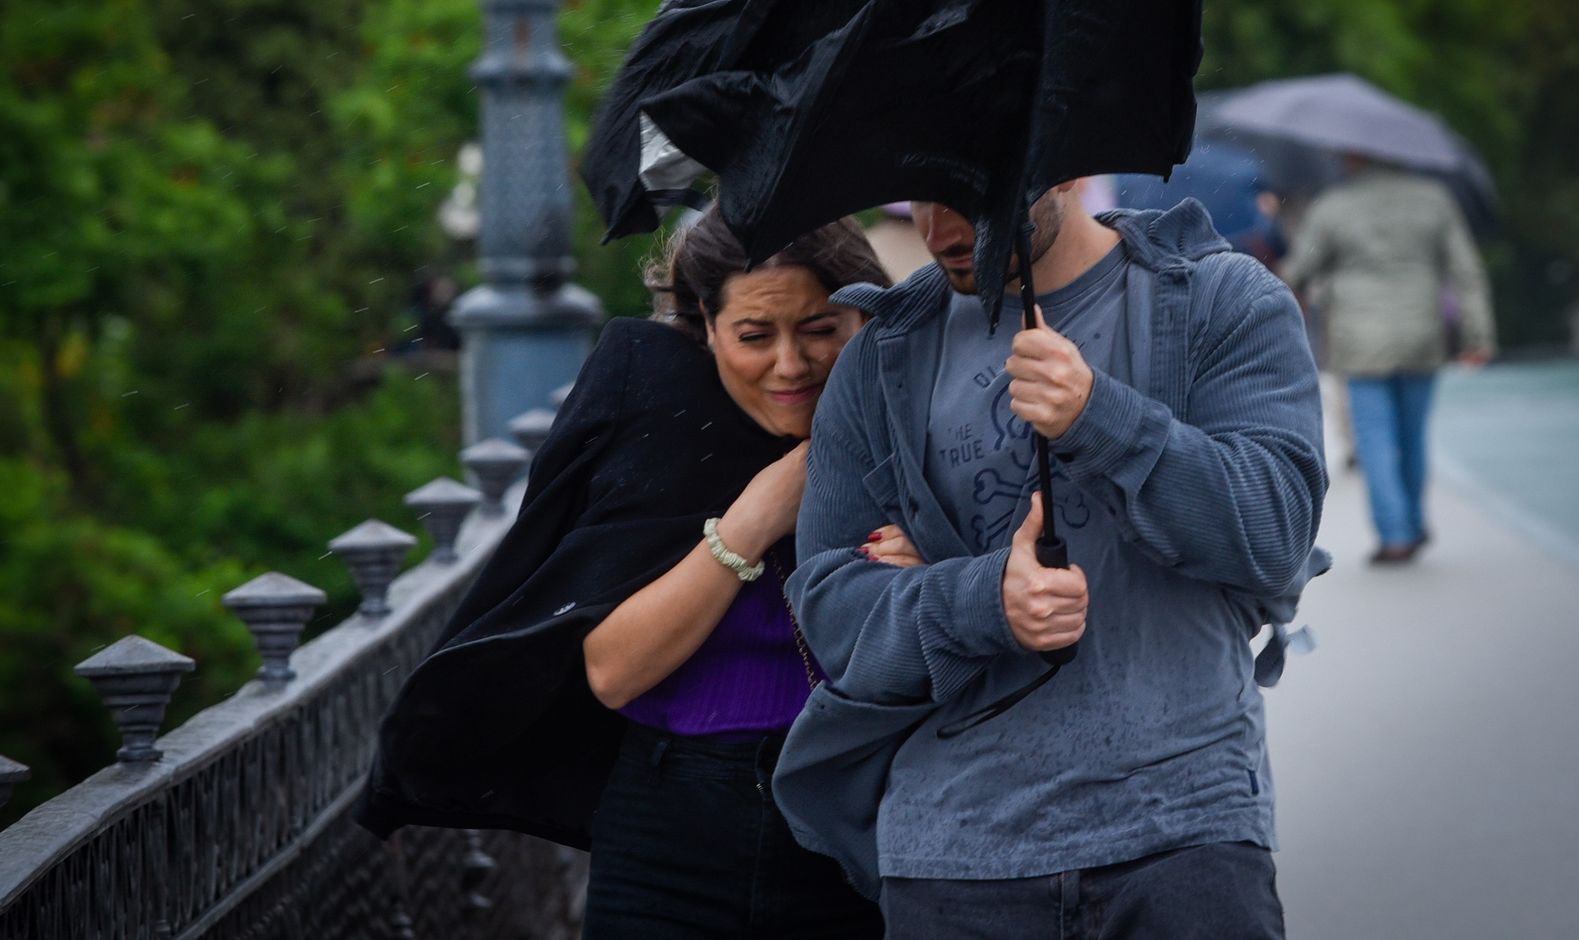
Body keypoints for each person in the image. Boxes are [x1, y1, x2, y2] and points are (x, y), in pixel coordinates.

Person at [772, 183, 1329, 939]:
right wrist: (982, 600)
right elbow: (833, 613)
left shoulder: (1217, 298)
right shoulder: (882, 357)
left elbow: (1274, 533)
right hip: (954, 857)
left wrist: (1099, 416)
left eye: (969, 194)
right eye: (921, 199)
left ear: (1062, 164)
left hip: (1182, 833)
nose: (941, 229)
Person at [357, 205, 889, 939]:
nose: (790, 365)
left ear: (862, 320)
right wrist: (756, 517)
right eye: (754, 336)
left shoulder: (906, 432)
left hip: (861, 818)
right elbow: (611, 671)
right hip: (669, 836)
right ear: (705, 324)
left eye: (821, 330)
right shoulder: (663, 432)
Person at [1280, 156, 1495, 563]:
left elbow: (1299, 267)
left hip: (1359, 339)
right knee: (1413, 435)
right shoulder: (1434, 199)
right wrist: (1478, 335)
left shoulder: (1334, 205)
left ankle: (1394, 534)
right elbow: (1465, 269)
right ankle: (1413, 521)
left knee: (1375, 439)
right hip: (1421, 334)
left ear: (1355, 158)